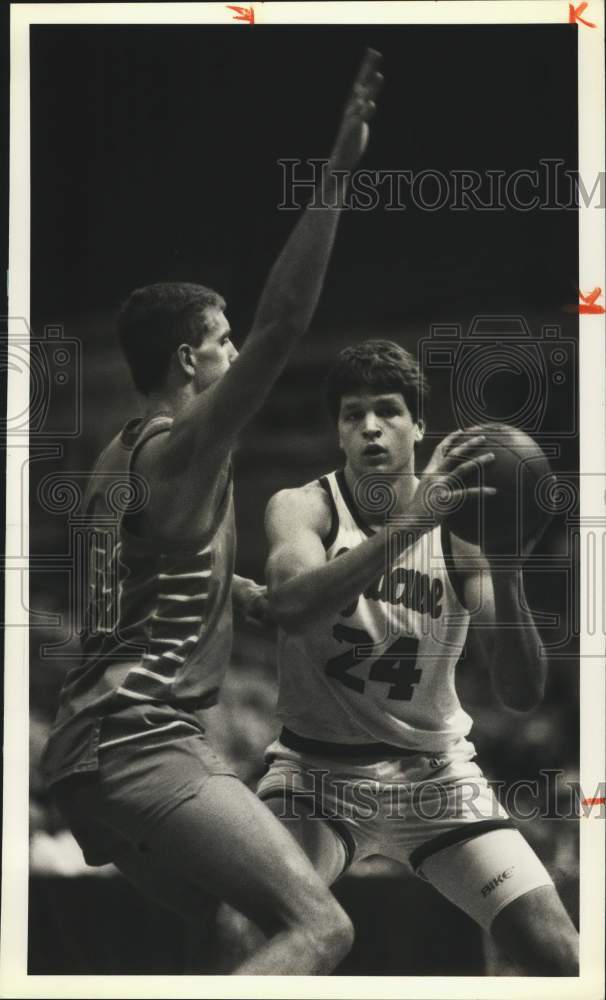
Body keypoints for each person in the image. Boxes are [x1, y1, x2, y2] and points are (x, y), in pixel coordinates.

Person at [41, 51, 383, 975]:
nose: (236, 354)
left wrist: (240, 592)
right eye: (220, 342)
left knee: (238, 926)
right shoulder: (186, 451)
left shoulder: (118, 462)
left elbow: (142, 582)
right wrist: (340, 172)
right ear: (189, 360)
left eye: (230, 339)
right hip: (144, 744)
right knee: (323, 929)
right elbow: (283, 328)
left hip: (86, 756)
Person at [251, 339, 579, 975]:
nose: (370, 426)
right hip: (316, 777)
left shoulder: (465, 533)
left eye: (388, 411)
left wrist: (508, 568)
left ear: (420, 426)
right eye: (353, 415)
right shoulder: (304, 508)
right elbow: (292, 607)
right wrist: (410, 523)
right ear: (338, 432)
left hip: (436, 780)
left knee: (562, 956)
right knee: (239, 929)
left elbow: (520, 691)